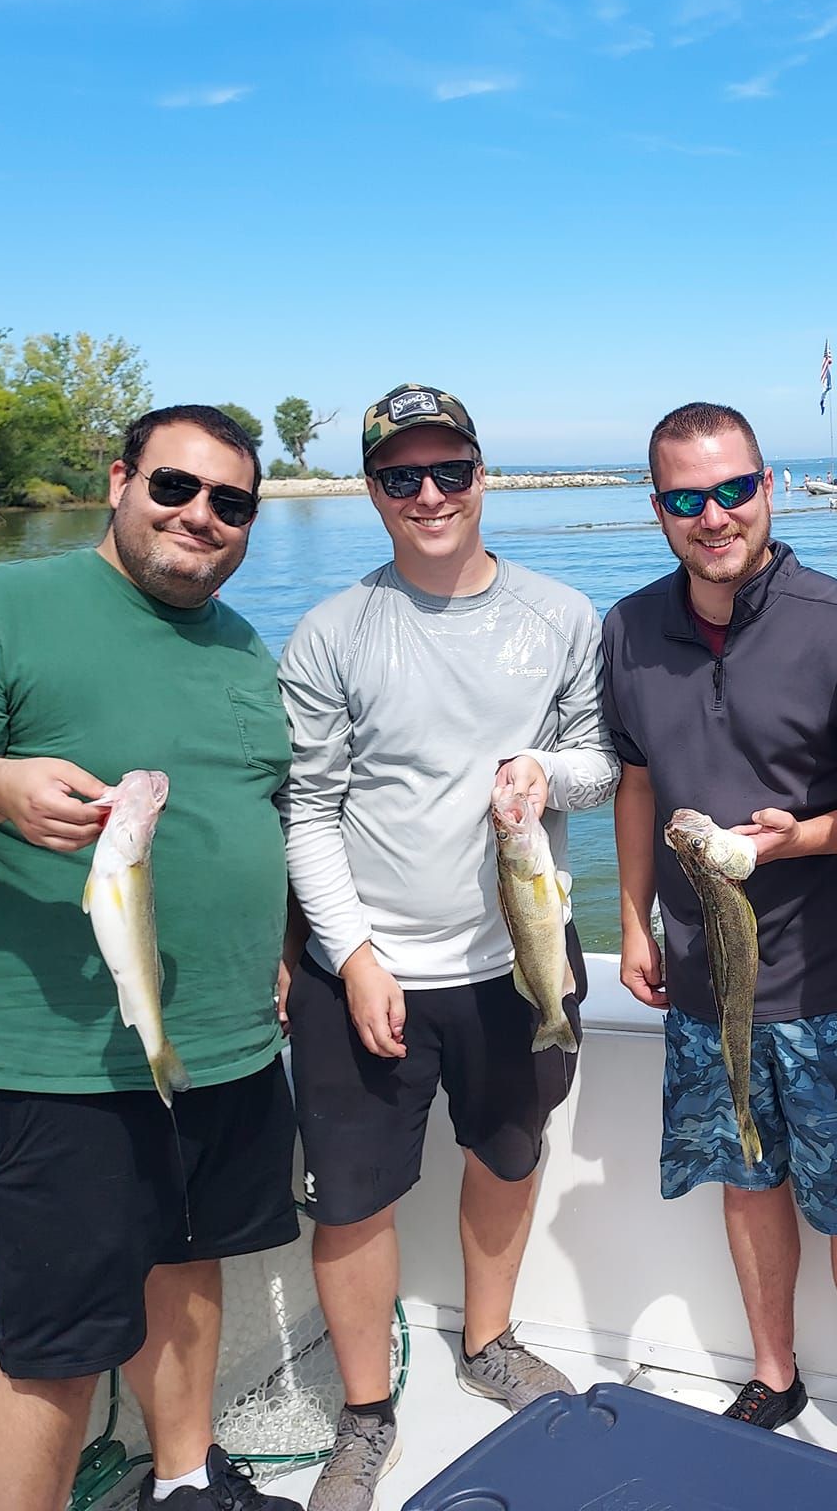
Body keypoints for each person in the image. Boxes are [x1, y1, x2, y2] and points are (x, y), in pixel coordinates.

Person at [0, 406, 301, 1511]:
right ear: (118, 482)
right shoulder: (1, 608)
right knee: (58, 1344)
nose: (201, 518)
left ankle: (185, 1480)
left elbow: (256, 810)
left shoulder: (241, 643)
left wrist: (278, 945)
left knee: (189, 1267)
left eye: (231, 504)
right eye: (176, 488)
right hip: (47, 1068)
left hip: (223, 1042)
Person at [279, 384, 618, 1511]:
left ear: (484, 476)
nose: (428, 495)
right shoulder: (332, 630)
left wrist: (540, 771)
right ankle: (367, 1416)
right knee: (350, 1202)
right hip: (366, 969)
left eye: (448, 472)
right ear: (371, 490)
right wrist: (354, 955)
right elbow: (310, 809)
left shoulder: (562, 615)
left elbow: (597, 762)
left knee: (507, 1157)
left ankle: (487, 1341)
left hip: (517, 961)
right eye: (399, 477)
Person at [601, 402, 837, 1482]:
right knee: (747, 1186)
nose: (714, 517)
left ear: (768, 486)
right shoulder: (628, 628)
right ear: (657, 509)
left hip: (826, 974)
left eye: (732, 490)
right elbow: (639, 779)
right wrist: (633, 917)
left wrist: (792, 846)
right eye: (687, 499)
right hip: (701, 976)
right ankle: (776, 1372)